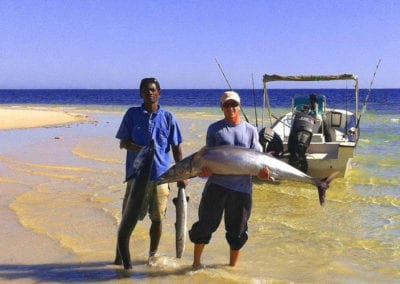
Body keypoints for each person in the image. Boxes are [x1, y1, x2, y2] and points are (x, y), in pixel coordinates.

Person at [188, 90, 272, 268]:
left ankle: (232, 270)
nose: (231, 107)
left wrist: (262, 174)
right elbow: (205, 159)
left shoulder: (250, 131)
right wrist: (203, 173)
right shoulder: (214, 129)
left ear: (240, 106)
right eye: (227, 104)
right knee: (205, 226)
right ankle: (195, 265)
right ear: (222, 107)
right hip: (216, 187)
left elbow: (258, 160)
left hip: (242, 191)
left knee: (237, 232)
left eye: (234, 104)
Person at [115, 77, 188, 263]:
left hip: (160, 177)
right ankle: (119, 258)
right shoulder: (131, 114)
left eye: (153, 89)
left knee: (157, 219)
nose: (149, 92)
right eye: (146, 90)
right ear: (140, 93)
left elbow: (176, 148)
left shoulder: (168, 117)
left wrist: (182, 174)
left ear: (159, 93)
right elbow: (123, 143)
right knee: (127, 219)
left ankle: (152, 256)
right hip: (136, 177)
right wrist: (143, 150)